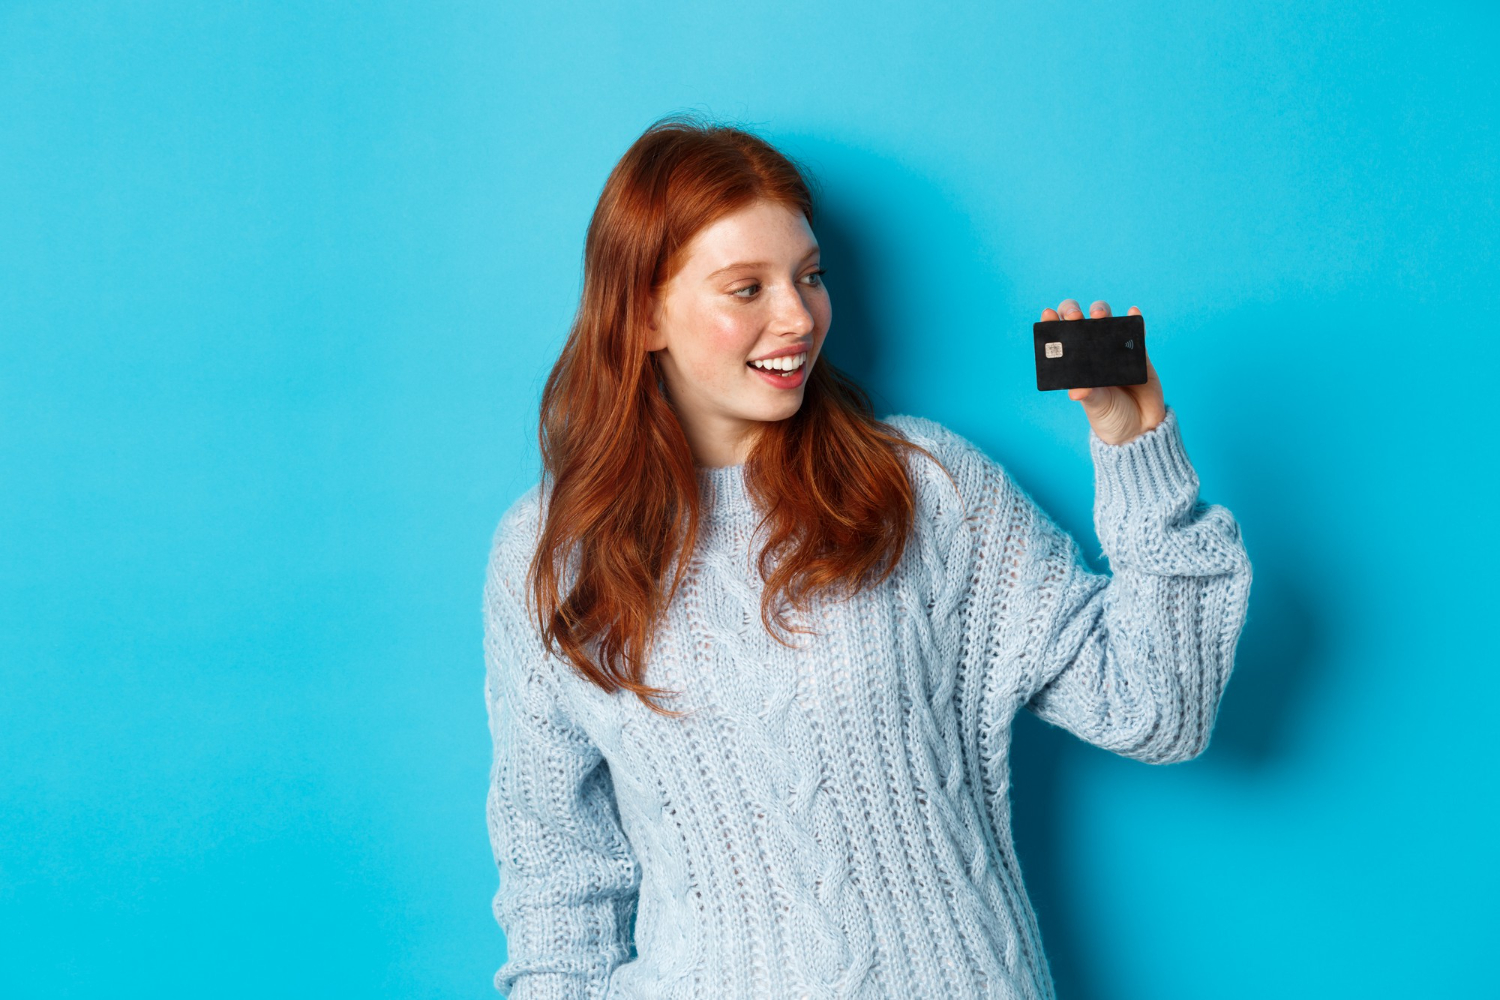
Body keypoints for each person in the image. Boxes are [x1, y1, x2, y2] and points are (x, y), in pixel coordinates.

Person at [482, 113, 1253, 1000]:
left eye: (810, 277)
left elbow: (1159, 709)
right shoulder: (549, 553)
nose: (797, 317)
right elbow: (556, 886)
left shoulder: (923, 487)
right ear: (645, 310)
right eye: (747, 288)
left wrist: (1134, 446)